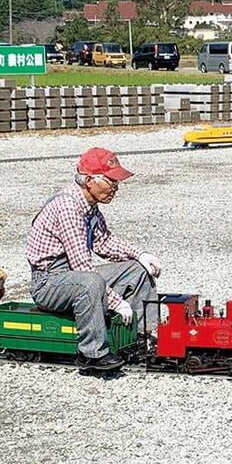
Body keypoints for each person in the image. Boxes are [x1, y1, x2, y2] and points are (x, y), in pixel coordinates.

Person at [23, 147, 162, 377]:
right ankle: (92, 354)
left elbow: (104, 243)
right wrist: (117, 302)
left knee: (136, 270)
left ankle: (143, 337)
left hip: (70, 275)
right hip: (48, 281)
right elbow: (81, 265)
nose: (116, 188)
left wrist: (140, 254)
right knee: (90, 282)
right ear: (89, 180)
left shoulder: (90, 206)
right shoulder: (68, 207)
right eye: (111, 182)